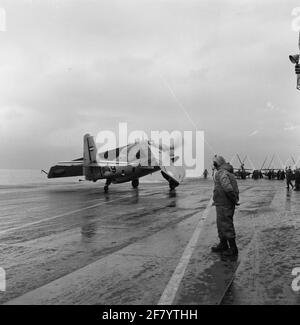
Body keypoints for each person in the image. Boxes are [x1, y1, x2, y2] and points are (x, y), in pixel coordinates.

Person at [211, 155, 239, 257]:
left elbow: (228, 188)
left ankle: (233, 248)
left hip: (225, 204)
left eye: (214, 163)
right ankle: (223, 245)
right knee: (221, 225)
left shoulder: (222, 173)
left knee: (226, 225)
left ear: (217, 163)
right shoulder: (225, 172)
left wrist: (233, 199)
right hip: (222, 203)